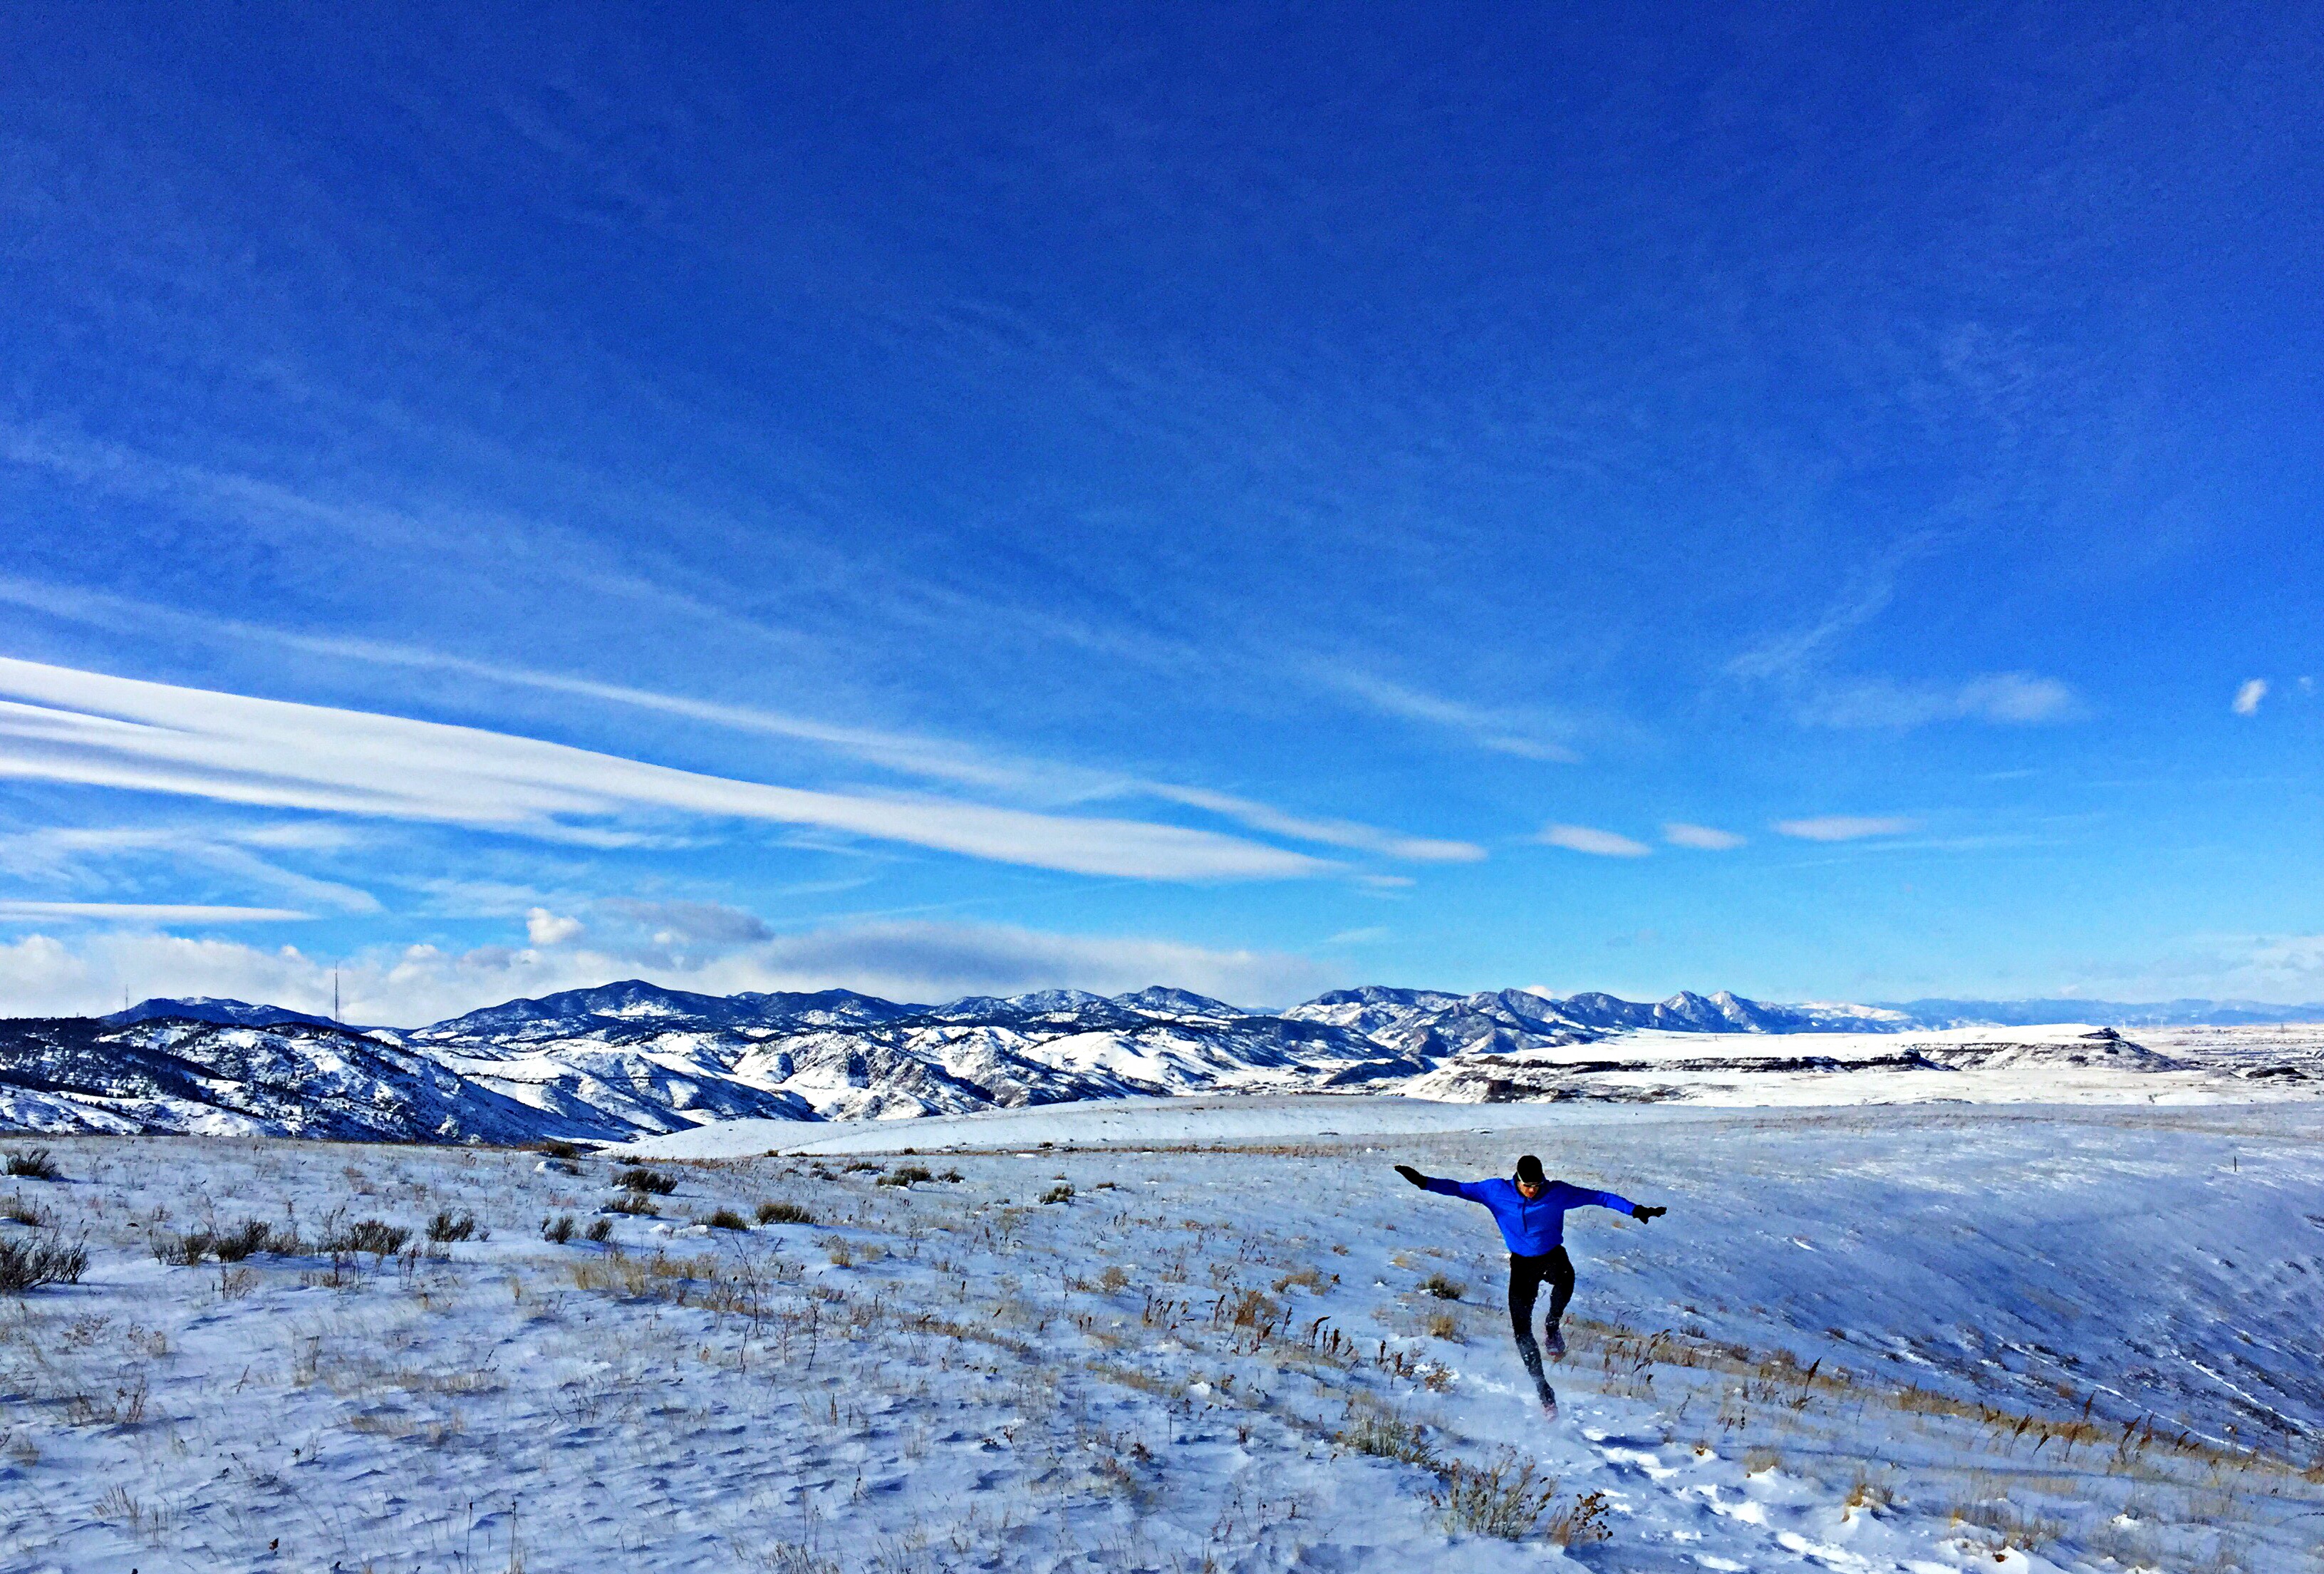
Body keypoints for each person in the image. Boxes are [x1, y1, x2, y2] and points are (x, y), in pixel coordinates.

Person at [1395, 1154, 1666, 1417]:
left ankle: (1552, 1325)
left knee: (1566, 1281)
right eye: (1527, 1186)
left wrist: (1636, 1210)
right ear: (1517, 1179)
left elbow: (1600, 1197)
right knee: (1522, 1332)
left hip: (1552, 1256)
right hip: (1522, 1267)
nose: (1532, 1191)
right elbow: (1458, 1188)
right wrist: (1423, 1181)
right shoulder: (1495, 1191)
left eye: (1537, 1186)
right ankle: (1544, 1392)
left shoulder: (1557, 1193)